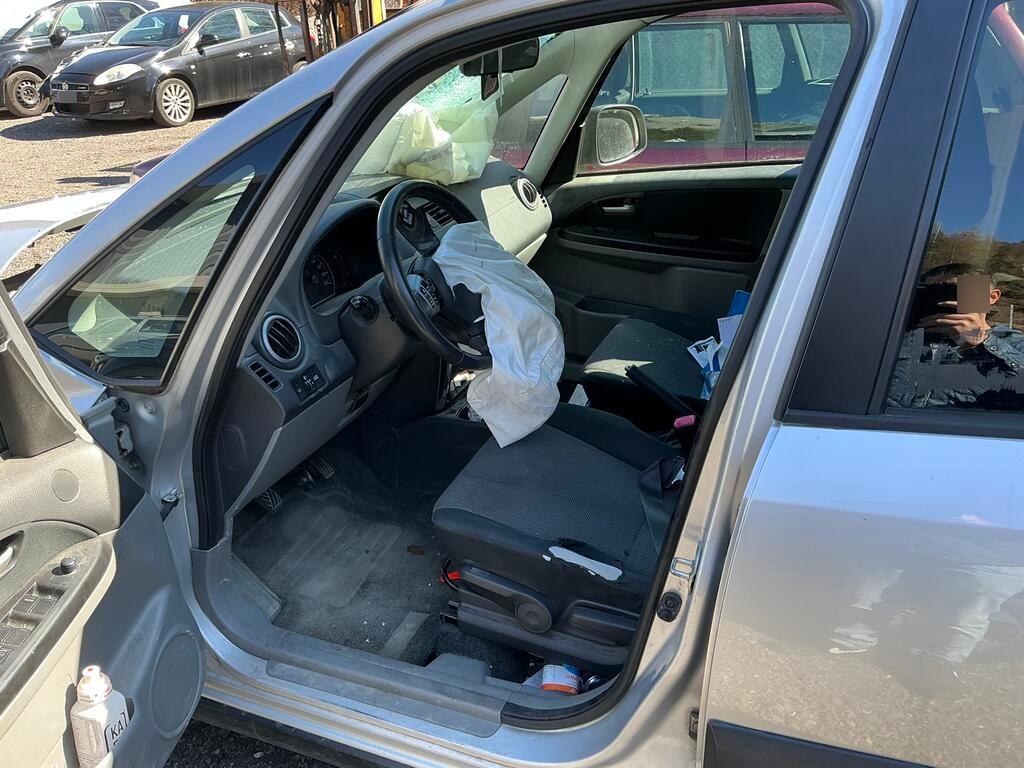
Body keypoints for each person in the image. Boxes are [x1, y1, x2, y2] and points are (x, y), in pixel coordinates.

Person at [887, 262, 1024, 408]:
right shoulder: (899, 337)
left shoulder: (1016, 344)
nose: (946, 300)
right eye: (934, 293)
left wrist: (982, 342)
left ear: (992, 296)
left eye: (958, 292)